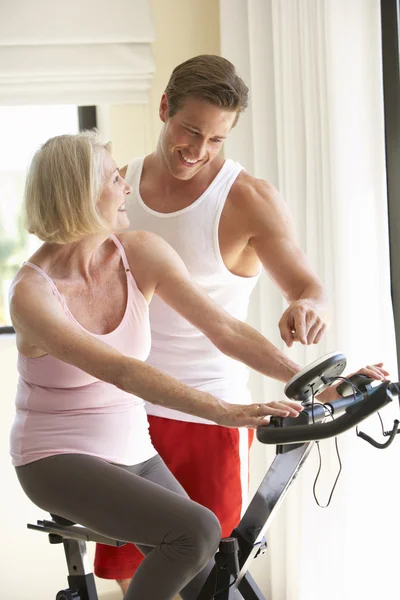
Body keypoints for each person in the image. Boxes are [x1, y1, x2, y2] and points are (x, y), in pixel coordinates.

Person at [93, 54, 388, 596]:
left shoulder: (248, 199)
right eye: (190, 130)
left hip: (211, 413)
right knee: (132, 582)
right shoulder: (119, 187)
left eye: (215, 140)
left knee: (208, 581)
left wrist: (308, 308)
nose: (197, 151)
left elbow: (309, 288)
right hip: (127, 412)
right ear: (164, 108)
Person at [9, 131, 312, 600]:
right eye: (114, 178)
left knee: (212, 583)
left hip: (133, 446)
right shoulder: (32, 294)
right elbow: (121, 371)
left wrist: (303, 380)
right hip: (55, 457)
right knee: (196, 530)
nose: (127, 186)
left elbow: (223, 329)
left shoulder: (140, 252)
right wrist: (223, 410)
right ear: (81, 193)